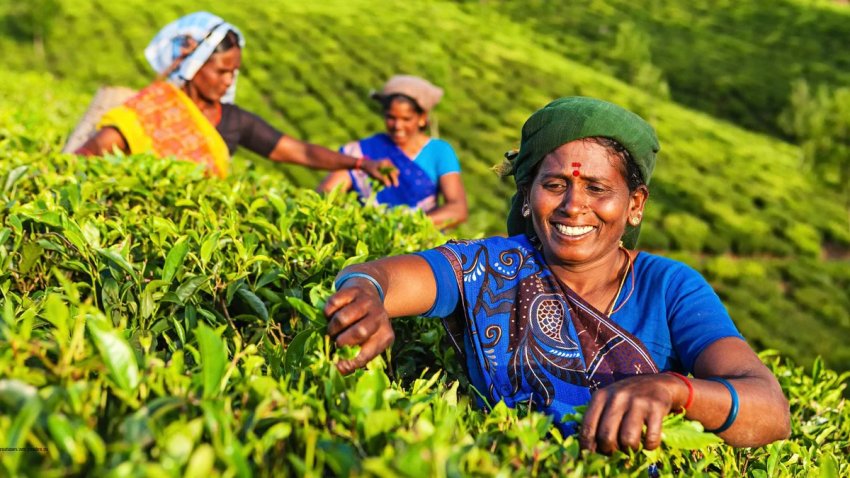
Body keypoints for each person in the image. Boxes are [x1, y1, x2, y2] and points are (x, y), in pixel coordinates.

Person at [323, 97, 790, 452]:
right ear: (527, 197)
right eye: (554, 185)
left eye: (597, 188)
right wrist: (366, 294)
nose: (573, 205)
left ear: (635, 205)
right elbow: (382, 277)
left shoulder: (669, 287)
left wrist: (673, 390)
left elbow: (769, 409)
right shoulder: (490, 266)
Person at [76, 12, 397, 185]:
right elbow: (97, 148)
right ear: (194, 65)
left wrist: (360, 163)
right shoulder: (154, 108)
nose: (229, 80)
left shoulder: (233, 120)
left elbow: (300, 151)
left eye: (234, 71)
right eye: (221, 71)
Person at [317, 75, 467, 229]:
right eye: (391, 118)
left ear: (422, 118)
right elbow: (326, 195)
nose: (397, 126)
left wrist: (405, 227)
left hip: (419, 239)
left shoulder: (439, 152)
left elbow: (458, 209)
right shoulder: (361, 151)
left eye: (406, 119)